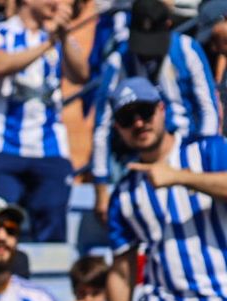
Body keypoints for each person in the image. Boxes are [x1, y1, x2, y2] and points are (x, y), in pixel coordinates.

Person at [105, 78, 227, 301]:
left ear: (162, 110)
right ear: (118, 128)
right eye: (128, 119)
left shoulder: (208, 152)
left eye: (144, 112)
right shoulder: (124, 191)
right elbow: (122, 273)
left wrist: (179, 178)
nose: (139, 124)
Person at [91, 0, 221, 222]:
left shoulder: (186, 50)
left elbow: (207, 107)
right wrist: (101, 188)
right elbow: (102, 126)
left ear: (169, 25)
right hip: (137, 154)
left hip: (186, 149)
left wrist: (201, 154)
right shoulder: (119, 60)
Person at [0, 0, 88, 243]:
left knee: (53, 224)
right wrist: (47, 44)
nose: (56, 2)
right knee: (0, 224)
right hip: (2, 147)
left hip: (50, 149)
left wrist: (63, 37)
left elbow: (81, 75)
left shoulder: (58, 39)